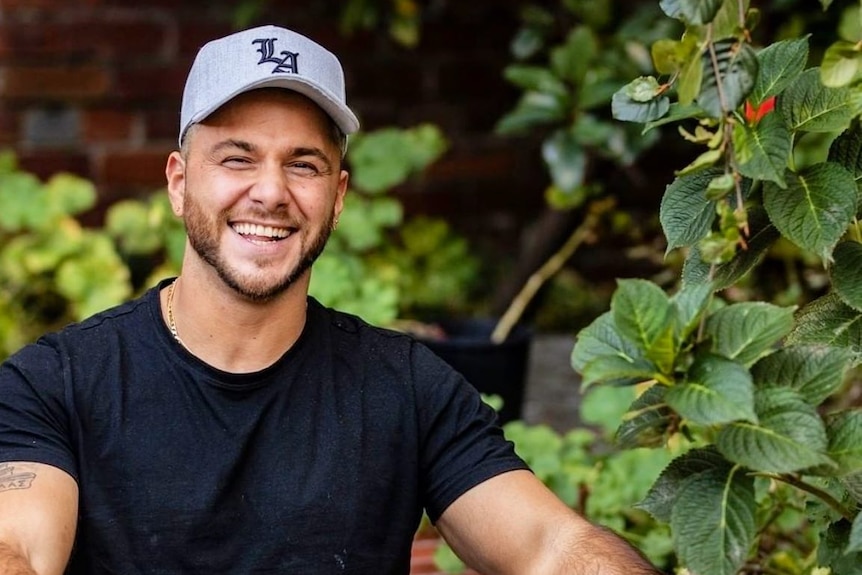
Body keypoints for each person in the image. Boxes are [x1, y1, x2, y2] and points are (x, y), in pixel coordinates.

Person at [0, 25, 662, 575]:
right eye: (236, 157)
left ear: (338, 196)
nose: (270, 191)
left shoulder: (405, 389)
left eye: (303, 163)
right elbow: (17, 546)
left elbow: (551, 546)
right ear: (179, 183)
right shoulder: (57, 383)